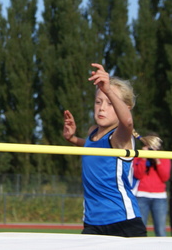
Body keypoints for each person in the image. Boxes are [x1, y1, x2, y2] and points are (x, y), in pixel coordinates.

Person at [63, 63, 147, 237]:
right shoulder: (93, 131)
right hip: (92, 222)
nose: (101, 108)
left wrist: (108, 90)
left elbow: (128, 123)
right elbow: (92, 148)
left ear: (125, 108)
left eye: (110, 104)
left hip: (122, 222)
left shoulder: (119, 136)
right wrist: (72, 139)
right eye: (98, 102)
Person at [133, 134, 171, 236]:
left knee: (160, 230)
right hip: (141, 195)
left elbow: (165, 177)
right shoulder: (139, 157)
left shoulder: (164, 157)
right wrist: (144, 158)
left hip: (159, 197)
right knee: (140, 228)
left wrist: (157, 159)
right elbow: (138, 174)